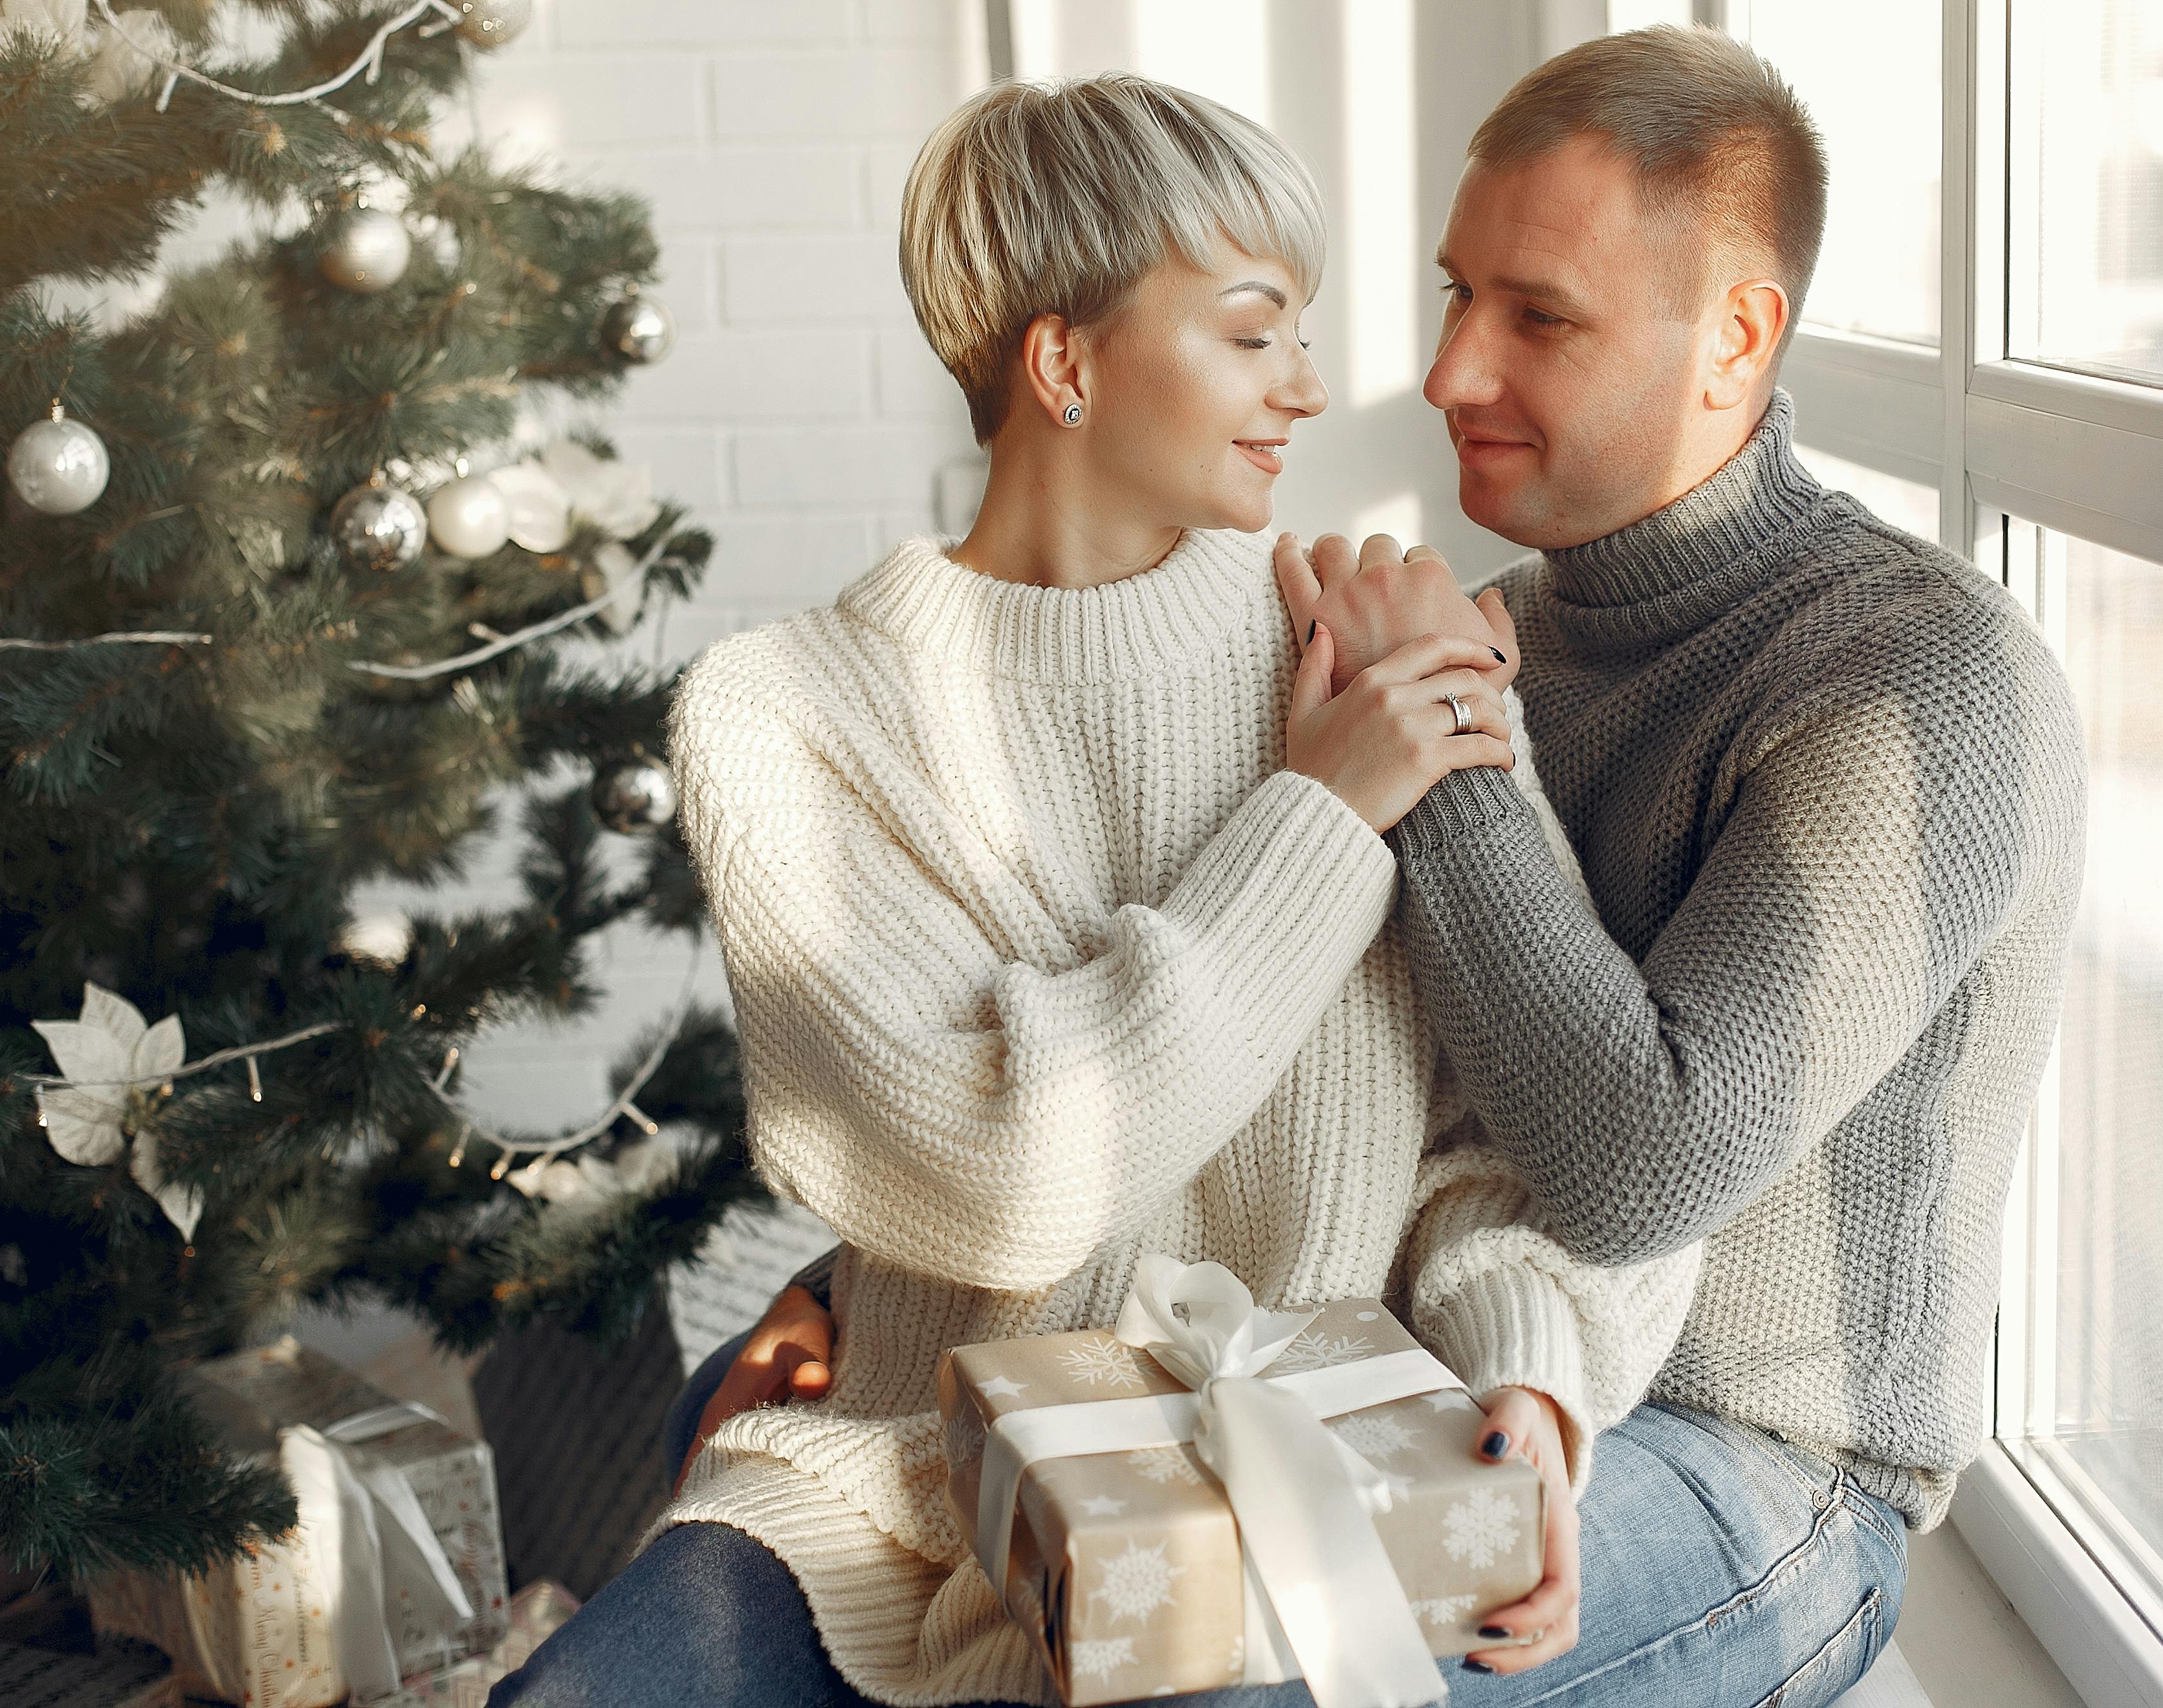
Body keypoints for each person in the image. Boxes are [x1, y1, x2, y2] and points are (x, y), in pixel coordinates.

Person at [694, 24, 2088, 1706]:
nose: (1445, 377)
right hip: (1422, 1364)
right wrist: (859, 1275)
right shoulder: (1470, 635)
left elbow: (1639, 1168)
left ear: (1737, 338)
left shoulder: (1919, 682)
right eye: (1455, 297)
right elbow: (1328, 1091)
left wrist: (1444, 755)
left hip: (1756, 1457)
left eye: (1538, 319)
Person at [487, 72, 1700, 1708]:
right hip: (905, 1486)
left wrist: (1532, 1387)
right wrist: (1316, 819)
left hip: (1288, 1482)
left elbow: (1524, 1136)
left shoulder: (1377, 647)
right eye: (1254, 332)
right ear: (1063, 362)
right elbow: (1004, 1172)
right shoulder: (784, 719)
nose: (1312, 388)